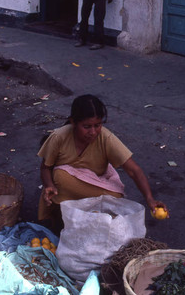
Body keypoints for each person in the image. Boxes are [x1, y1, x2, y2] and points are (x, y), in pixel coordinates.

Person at [38, 94, 168, 233]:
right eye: (87, 126)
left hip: (94, 183)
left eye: (97, 125)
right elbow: (46, 167)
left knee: (115, 198)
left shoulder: (106, 138)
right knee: (60, 177)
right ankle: (63, 216)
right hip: (64, 187)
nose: (93, 132)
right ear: (73, 122)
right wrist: (49, 185)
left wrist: (150, 199)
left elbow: (133, 170)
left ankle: (86, 215)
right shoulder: (59, 136)